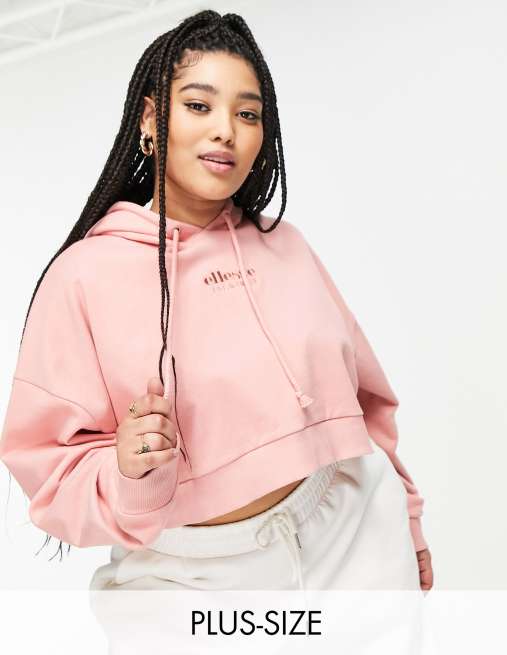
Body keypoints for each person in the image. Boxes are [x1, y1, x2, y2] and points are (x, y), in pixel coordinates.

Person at [0, 9, 433, 592]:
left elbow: (367, 405)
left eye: (247, 114)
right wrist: (126, 471)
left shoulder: (287, 245)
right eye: (199, 105)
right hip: (191, 573)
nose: (225, 130)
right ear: (151, 119)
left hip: (355, 535)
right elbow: (47, 466)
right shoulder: (83, 276)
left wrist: (408, 520)